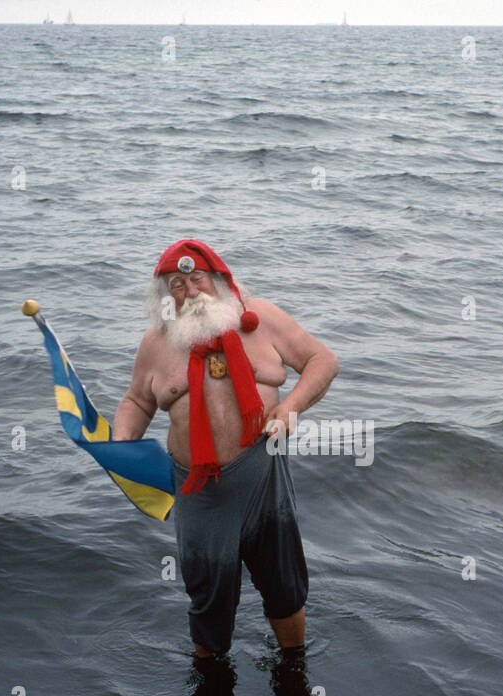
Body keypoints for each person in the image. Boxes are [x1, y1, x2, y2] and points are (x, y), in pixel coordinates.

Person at [111, 240, 339, 659]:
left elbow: (322, 360)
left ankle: (294, 671)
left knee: (284, 587)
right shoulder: (156, 344)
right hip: (200, 493)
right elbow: (137, 402)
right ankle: (211, 695)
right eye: (177, 285)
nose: (191, 290)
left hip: (262, 477)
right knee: (208, 600)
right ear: (165, 296)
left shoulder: (262, 319)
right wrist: (120, 443)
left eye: (197, 278)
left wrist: (289, 407)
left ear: (218, 279)